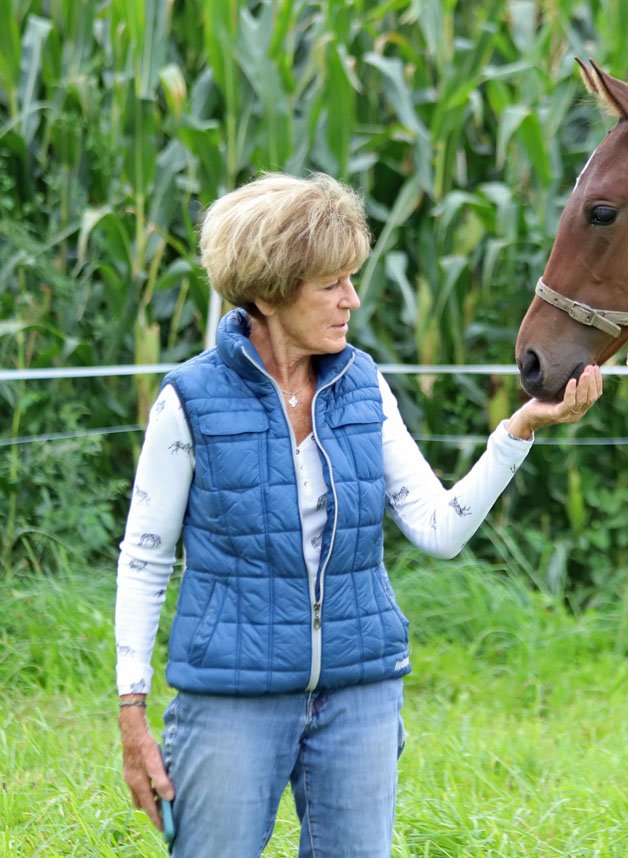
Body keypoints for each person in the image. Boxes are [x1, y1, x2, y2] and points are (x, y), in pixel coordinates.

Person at [115, 172, 602, 856]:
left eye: (351, 278)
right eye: (331, 284)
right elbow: (144, 560)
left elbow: (438, 529)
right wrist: (132, 713)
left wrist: (519, 430)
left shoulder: (364, 386)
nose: (353, 299)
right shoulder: (188, 401)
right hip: (232, 694)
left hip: (360, 690)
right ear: (268, 292)